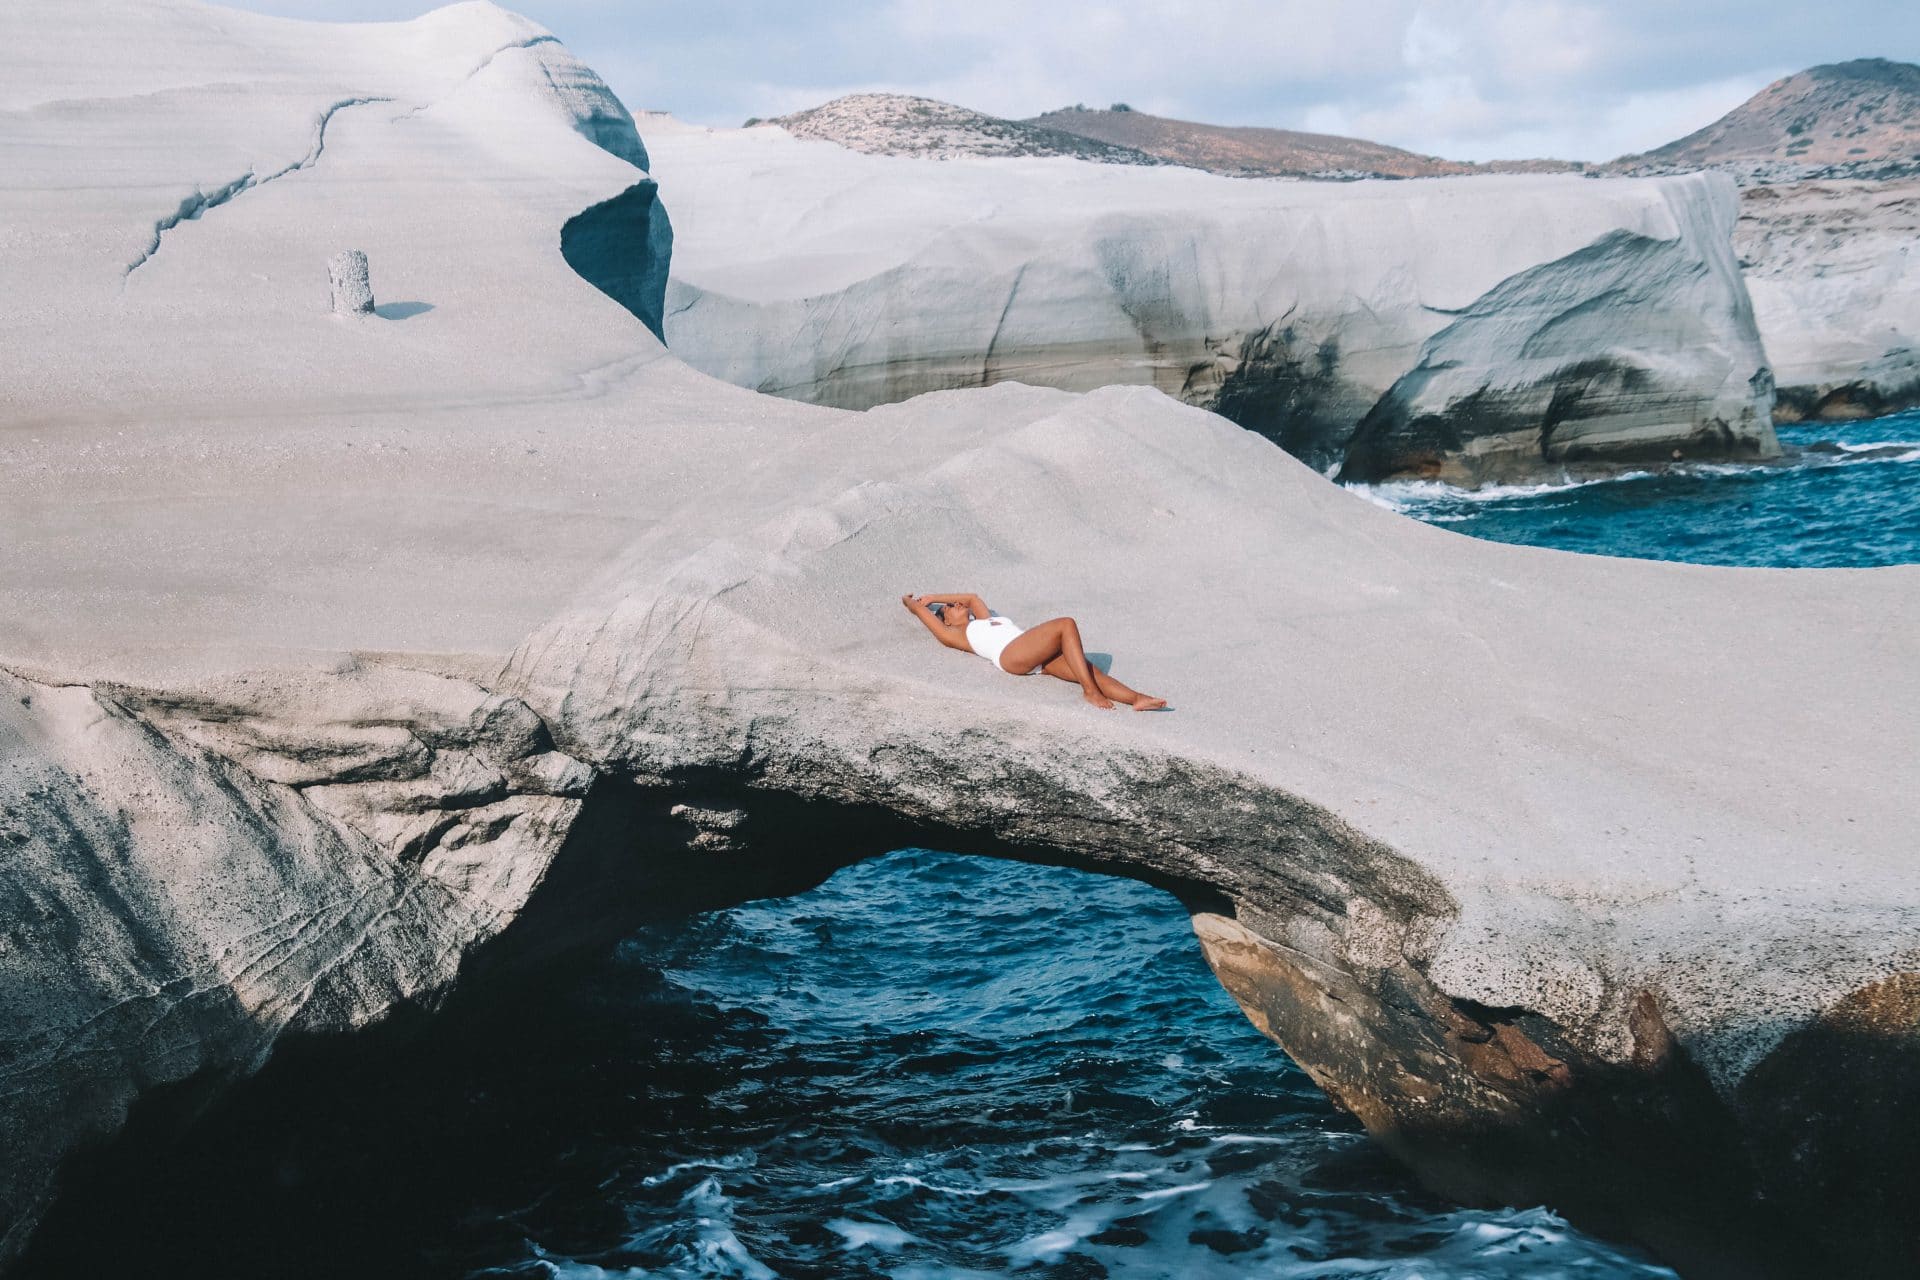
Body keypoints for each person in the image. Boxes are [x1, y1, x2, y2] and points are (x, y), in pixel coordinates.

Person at [900, 592, 1168, 711]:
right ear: (945, 619)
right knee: (1065, 624)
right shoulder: (953, 634)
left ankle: (1136, 699)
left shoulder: (984, 619)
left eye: (953, 603)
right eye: (950, 607)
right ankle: (1090, 692)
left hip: (1031, 655)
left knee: (1087, 669)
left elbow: (972, 597)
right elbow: (922, 613)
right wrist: (915, 603)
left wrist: (937, 595)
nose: (956, 604)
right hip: (1010, 656)